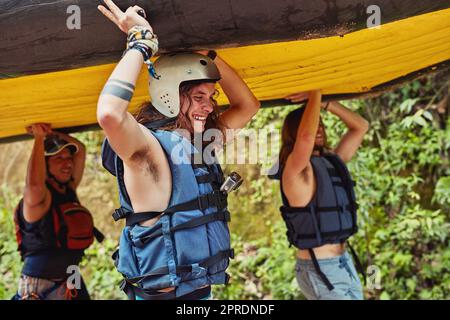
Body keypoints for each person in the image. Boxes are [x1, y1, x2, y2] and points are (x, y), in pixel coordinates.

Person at [96, 0, 260, 300]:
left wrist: (208, 59)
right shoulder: (148, 150)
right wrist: (141, 42)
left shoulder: (197, 146)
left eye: (211, 96)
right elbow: (109, 114)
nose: (209, 106)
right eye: (198, 96)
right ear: (169, 94)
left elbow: (248, 106)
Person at [273, 90, 369, 300]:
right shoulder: (295, 170)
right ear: (294, 133)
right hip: (320, 268)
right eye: (313, 124)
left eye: (321, 125)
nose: (318, 129)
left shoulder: (333, 160)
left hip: (343, 262)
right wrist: (316, 93)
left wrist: (327, 103)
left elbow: (360, 126)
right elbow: (306, 138)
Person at [12, 123, 102, 300]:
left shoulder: (68, 190)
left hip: (72, 276)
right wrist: (39, 139)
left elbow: (81, 149)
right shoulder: (38, 200)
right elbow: (34, 184)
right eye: (58, 158)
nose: (67, 162)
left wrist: (52, 133)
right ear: (45, 165)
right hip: (41, 286)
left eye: (69, 157)